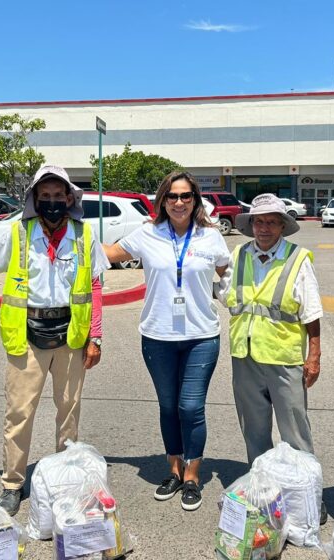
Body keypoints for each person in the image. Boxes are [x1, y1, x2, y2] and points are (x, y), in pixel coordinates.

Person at [0, 165, 108, 516]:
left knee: (68, 414)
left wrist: (96, 336)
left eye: (57, 196)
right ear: (34, 199)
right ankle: (12, 484)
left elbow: (94, 285)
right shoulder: (19, 232)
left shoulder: (83, 233)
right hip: (28, 335)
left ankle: (65, 479)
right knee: (19, 414)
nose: (51, 202)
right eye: (44, 196)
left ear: (69, 198)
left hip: (71, 336)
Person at [104, 171, 230, 511]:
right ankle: (173, 470)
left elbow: (228, 272)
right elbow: (109, 253)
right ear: (163, 200)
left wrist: (229, 295)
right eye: (172, 196)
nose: (178, 202)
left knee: (191, 406)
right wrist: (71, 237)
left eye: (186, 196)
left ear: (195, 200)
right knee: (168, 406)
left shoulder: (210, 236)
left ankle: (193, 475)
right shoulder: (148, 233)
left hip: (201, 335)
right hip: (157, 336)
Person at [217, 193, 328, 524]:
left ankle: (309, 497)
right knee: (254, 429)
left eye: (271, 221)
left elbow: (312, 311)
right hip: (245, 354)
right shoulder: (239, 255)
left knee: (295, 431)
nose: (264, 227)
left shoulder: (297, 259)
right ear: (251, 225)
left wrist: (315, 355)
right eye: (259, 221)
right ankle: (263, 495)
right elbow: (225, 295)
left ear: (282, 225)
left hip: (284, 357)